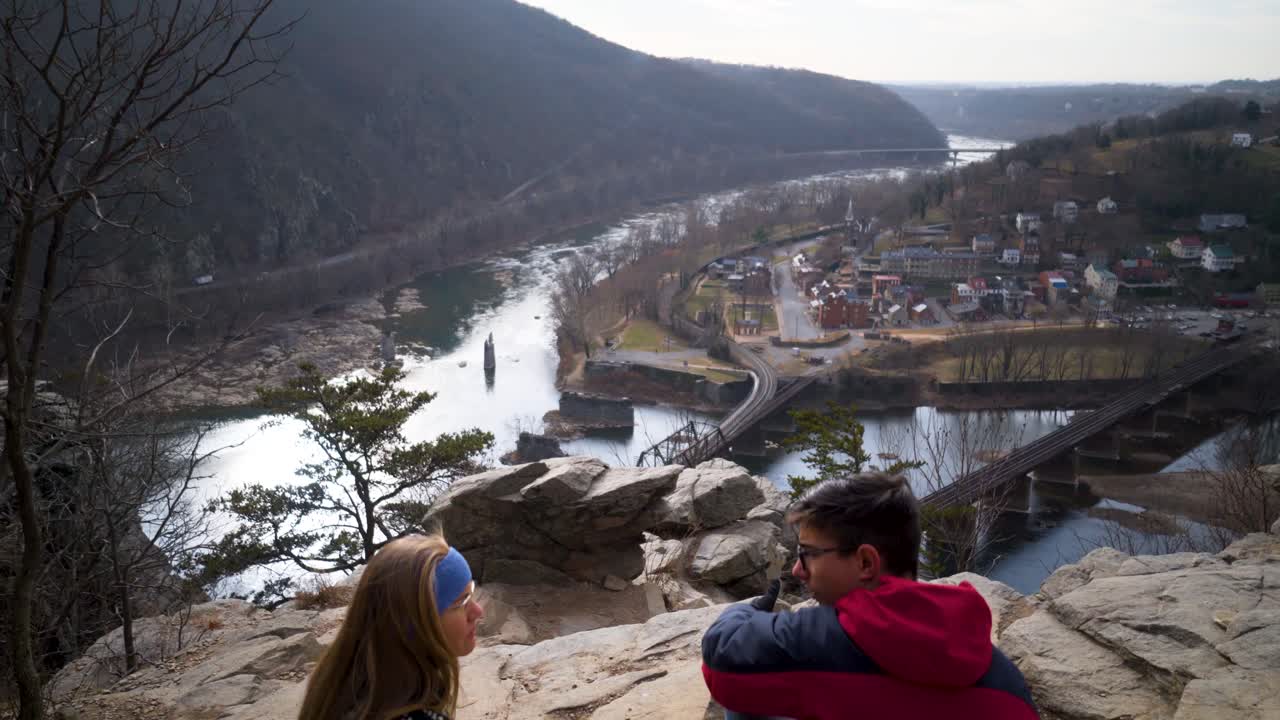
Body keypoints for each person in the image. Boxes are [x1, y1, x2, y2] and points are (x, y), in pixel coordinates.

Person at [701, 474, 1039, 720]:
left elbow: (722, 662)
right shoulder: (997, 670)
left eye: (807, 554)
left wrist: (745, 614)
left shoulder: (833, 639)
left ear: (865, 562)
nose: (797, 571)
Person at [298, 534, 485, 720]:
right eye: (462, 602)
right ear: (415, 626)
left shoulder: (341, 689)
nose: (478, 611)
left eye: (471, 592)